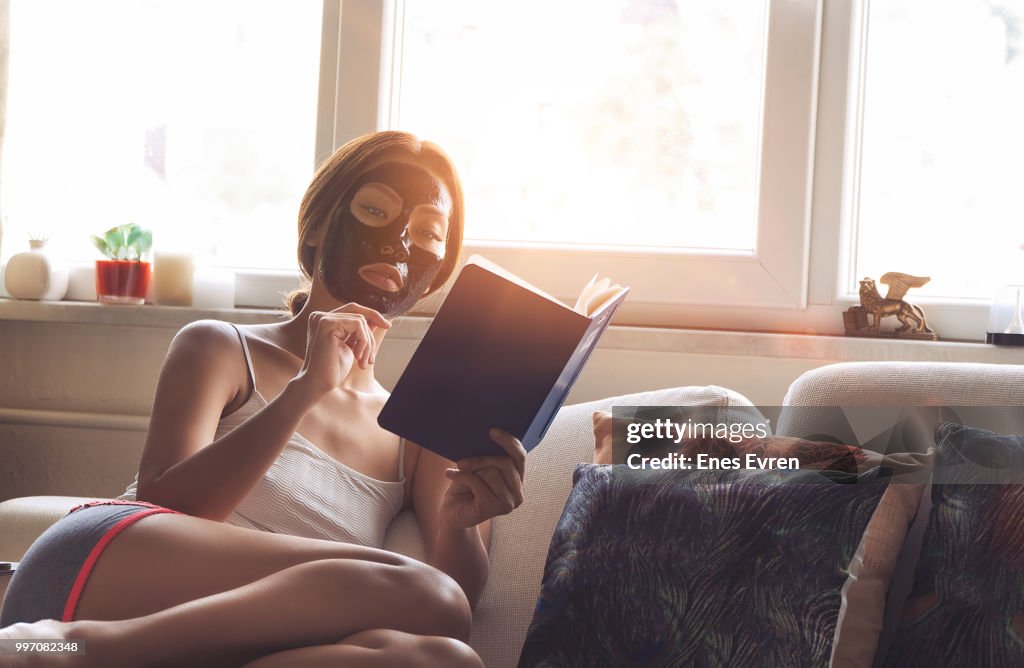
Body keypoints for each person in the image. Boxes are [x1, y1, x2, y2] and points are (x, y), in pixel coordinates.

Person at [0, 131, 526, 667]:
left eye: (428, 233)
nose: (400, 244)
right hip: (95, 583)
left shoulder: (414, 429)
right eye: (374, 209)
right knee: (425, 592)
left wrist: (464, 524)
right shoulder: (219, 347)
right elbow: (169, 507)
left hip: (220, 648)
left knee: (448, 658)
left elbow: (456, 602)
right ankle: (60, 651)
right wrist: (304, 392)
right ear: (319, 226)